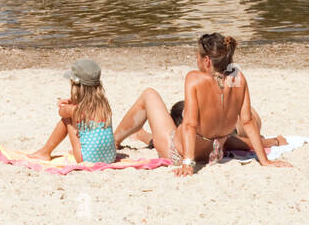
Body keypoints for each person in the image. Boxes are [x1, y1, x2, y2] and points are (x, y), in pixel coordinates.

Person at [114, 33, 290, 176]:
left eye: (197, 56)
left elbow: (190, 124)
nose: (196, 60)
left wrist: (188, 163)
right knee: (221, 136)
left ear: (206, 61)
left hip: (178, 151)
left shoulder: (195, 79)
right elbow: (248, 121)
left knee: (149, 95)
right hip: (213, 153)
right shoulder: (238, 78)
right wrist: (265, 161)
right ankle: (140, 135)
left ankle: (115, 141)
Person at [28, 58, 116, 163]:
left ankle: (45, 152)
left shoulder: (76, 110)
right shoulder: (104, 107)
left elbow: (62, 112)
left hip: (87, 159)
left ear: (77, 87)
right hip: (110, 156)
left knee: (66, 120)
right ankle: (85, 149)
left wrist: (62, 105)